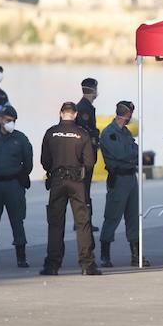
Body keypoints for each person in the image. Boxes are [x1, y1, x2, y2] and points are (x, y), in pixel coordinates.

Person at [39, 102, 100, 276]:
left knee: (56, 224)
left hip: (57, 180)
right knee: (83, 223)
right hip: (77, 182)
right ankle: (87, 265)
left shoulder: (51, 133)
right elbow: (90, 162)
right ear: (75, 114)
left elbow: (44, 161)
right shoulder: (82, 133)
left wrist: (54, 168)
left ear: (61, 113)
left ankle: (52, 265)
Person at [0, 104, 32, 269]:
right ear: (1, 120)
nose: (11, 123)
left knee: (17, 221)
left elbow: (28, 164)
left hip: (13, 185)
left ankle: (21, 257)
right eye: (8, 120)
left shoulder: (21, 139)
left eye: (13, 121)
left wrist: (19, 175)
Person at [99, 101, 148, 268]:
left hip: (130, 178)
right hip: (118, 179)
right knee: (112, 216)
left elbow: (135, 151)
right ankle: (105, 254)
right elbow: (123, 154)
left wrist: (132, 156)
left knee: (133, 216)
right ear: (126, 115)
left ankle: (136, 255)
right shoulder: (109, 133)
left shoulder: (126, 132)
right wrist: (132, 156)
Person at [75, 77, 100, 231]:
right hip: (85, 157)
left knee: (84, 189)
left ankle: (83, 221)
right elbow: (85, 133)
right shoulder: (84, 108)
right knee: (84, 190)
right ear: (93, 90)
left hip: (87, 155)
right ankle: (83, 222)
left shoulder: (87, 107)